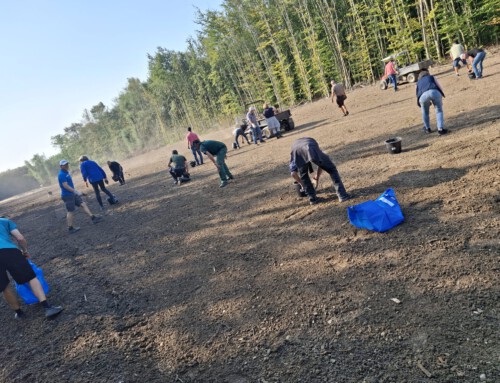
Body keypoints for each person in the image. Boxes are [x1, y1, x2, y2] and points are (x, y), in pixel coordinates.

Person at [0, 217, 63, 319]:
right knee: (30, 278)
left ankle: (19, 313)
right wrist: (24, 251)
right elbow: (20, 238)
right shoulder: (4, 221)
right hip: (9, 251)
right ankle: (47, 308)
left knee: (4, 286)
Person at [290, 137, 351, 205]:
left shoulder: (294, 152)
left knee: (304, 176)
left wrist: (302, 184)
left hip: (299, 150)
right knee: (332, 170)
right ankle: (342, 195)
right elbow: (321, 162)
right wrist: (317, 177)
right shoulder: (311, 144)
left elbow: (293, 173)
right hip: (311, 146)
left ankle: (313, 199)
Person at [58, 159, 103, 233]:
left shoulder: (66, 172)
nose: (66, 166)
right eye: (64, 165)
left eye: (67, 164)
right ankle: (70, 228)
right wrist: (76, 192)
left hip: (72, 193)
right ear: (61, 166)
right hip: (67, 195)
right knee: (70, 211)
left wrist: (75, 192)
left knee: (83, 204)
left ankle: (93, 218)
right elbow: (65, 186)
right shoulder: (61, 175)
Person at [416, 70, 448, 135]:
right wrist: (441, 95)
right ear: (428, 74)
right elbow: (439, 86)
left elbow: (417, 93)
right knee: (439, 111)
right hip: (435, 92)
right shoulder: (431, 77)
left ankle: (427, 128)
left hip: (423, 96)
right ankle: (440, 129)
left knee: (425, 113)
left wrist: (422, 104)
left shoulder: (418, 82)